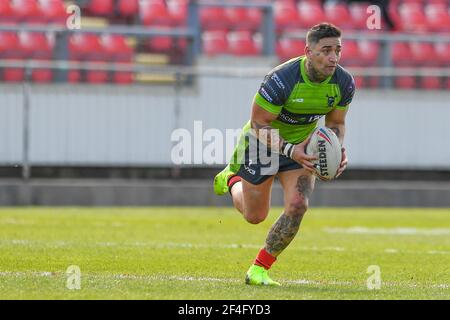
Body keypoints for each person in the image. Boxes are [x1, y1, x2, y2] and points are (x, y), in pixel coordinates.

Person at [213, 23, 356, 286]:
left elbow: (336, 123)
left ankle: (259, 269)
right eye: (326, 50)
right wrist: (291, 149)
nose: (333, 57)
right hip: (262, 143)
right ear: (308, 52)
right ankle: (231, 179)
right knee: (254, 216)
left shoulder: (344, 82)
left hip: (302, 146)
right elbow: (258, 123)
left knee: (298, 205)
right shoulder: (282, 79)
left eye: (338, 50)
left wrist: (337, 149)